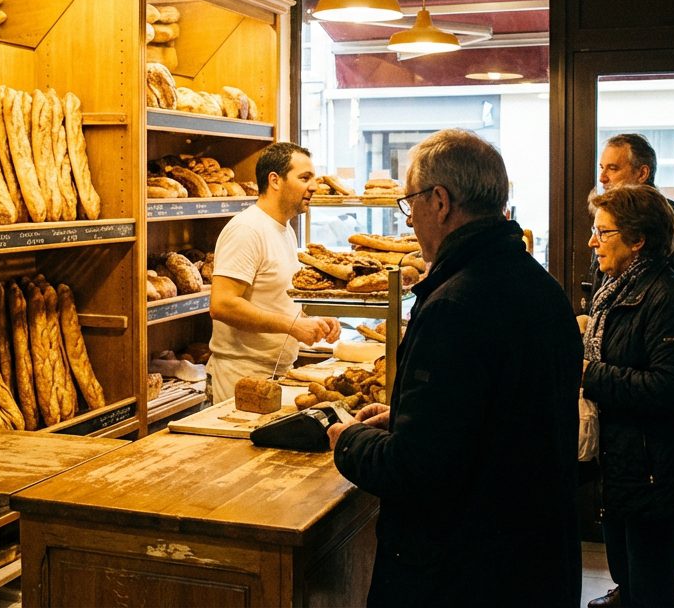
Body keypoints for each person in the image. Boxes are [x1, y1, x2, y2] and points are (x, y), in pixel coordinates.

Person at [325, 128, 582, 606]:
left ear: (440, 201)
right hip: (535, 561)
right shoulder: (541, 287)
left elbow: (419, 471)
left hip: (463, 572)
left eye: (410, 205)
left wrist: (350, 442)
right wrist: (404, 417)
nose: (409, 223)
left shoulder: (455, 305)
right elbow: (497, 419)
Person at [581, 183, 674, 608]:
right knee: (629, 577)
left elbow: (671, 387)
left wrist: (590, 375)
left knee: (652, 591)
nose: (593, 242)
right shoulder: (617, 289)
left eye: (604, 233)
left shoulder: (668, 295)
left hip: (659, 472)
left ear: (639, 239)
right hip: (629, 464)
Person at [207, 142, 340, 402]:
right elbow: (222, 304)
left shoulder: (284, 229)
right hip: (241, 377)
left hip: (275, 372)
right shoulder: (247, 229)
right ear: (275, 180)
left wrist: (314, 318)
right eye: (304, 178)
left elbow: (277, 296)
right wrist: (292, 326)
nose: (313, 186)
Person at [585, 134, 674, 339]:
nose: (602, 178)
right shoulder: (607, 220)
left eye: (613, 168)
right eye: (601, 167)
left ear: (642, 173)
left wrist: (667, 343)